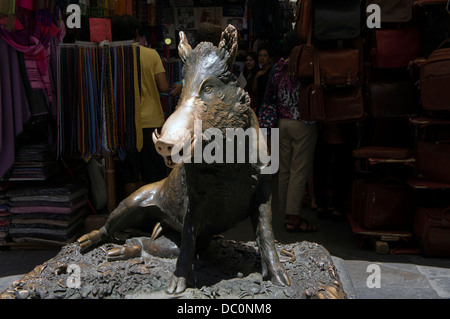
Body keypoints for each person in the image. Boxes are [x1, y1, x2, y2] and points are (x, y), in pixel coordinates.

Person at [258, 30, 318, 232]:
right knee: (298, 171)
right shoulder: (306, 64)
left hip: (282, 122)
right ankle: (292, 217)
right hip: (302, 123)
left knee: (283, 170)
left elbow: (269, 97)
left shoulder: (277, 68)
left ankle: (283, 211)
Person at [112, 15, 169, 197]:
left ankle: (131, 215)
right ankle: (153, 215)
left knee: (130, 174)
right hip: (151, 123)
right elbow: (163, 87)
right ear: (137, 33)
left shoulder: (112, 56)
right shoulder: (151, 55)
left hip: (124, 123)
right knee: (154, 173)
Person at [252, 44, 273, 116]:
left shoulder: (272, 71)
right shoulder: (258, 72)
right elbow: (255, 90)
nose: (262, 58)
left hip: (270, 105)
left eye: (265, 56)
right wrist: (256, 77)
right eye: (260, 56)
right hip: (260, 105)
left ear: (269, 58)